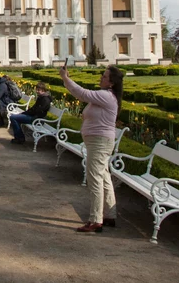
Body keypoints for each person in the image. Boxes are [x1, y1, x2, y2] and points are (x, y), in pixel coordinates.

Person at [60, 64, 123, 233]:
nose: (100, 78)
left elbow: (82, 93)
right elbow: (81, 94)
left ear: (111, 83)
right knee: (103, 176)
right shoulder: (106, 96)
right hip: (98, 141)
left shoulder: (106, 96)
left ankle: (96, 219)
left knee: (94, 178)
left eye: (104, 76)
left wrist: (66, 78)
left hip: (99, 142)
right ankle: (109, 214)